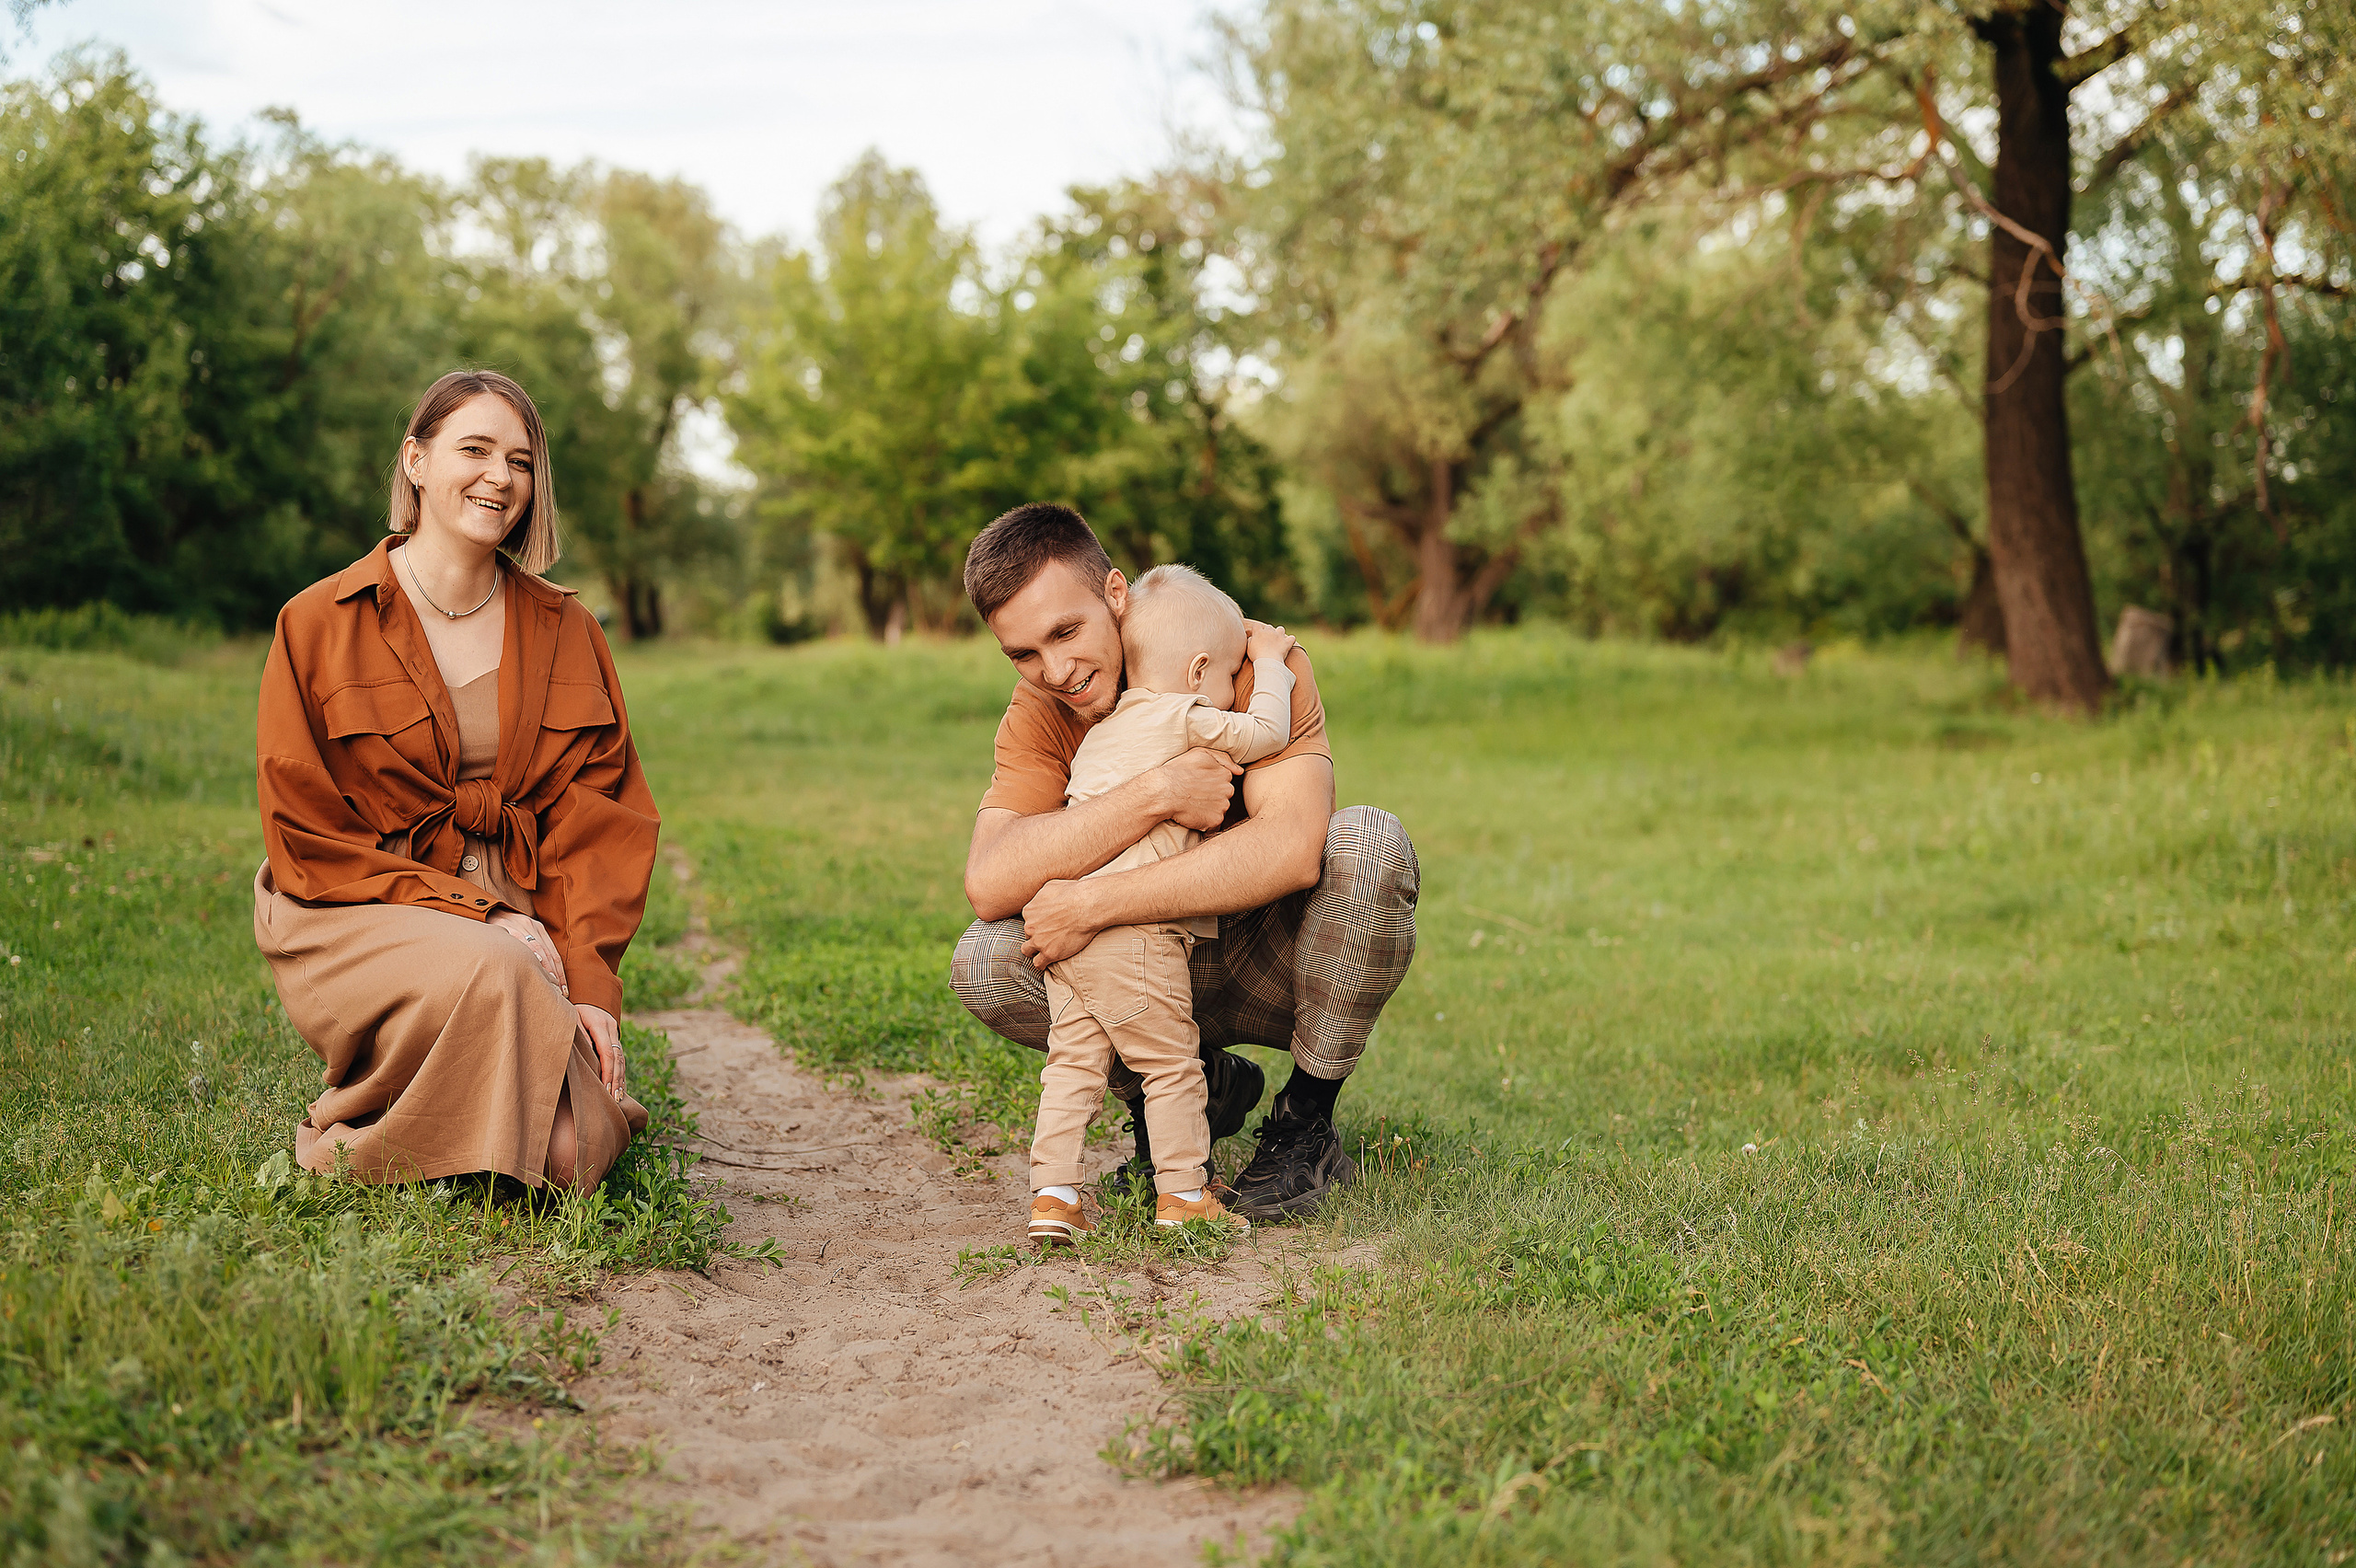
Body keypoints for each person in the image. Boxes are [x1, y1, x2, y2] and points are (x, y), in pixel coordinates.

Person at [953, 503, 1420, 1220]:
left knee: (1368, 842)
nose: (1055, 670)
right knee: (984, 959)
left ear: (1115, 594)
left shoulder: (1240, 658)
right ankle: (1182, 1090)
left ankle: (1304, 1123)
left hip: (1265, 956)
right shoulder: (1042, 706)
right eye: (1023, 653)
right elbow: (990, 881)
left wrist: (1094, 903)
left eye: (1066, 632)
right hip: (1142, 971)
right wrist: (1158, 793)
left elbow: (1293, 849)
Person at [253, 369, 658, 1191]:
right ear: (416, 461)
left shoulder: (569, 628)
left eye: (521, 459)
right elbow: (307, 835)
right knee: (493, 962)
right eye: (473, 449)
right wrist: (488, 917)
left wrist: (588, 984)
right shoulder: (316, 623)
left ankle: (478, 1116)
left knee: (573, 1161)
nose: (500, 477)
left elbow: (600, 826)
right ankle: (358, 1139)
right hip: (361, 908)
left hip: (526, 924)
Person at [1026, 565, 1298, 1244]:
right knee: (1172, 1065)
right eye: (1226, 672)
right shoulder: (1186, 714)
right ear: (1201, 669)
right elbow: (1266, 733)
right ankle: (1182, 1194)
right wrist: (1272, 667)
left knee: (1072, 1066)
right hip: (1133, 933)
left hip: (1072, 938)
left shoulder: (1103, 731)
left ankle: (1053, 1197)